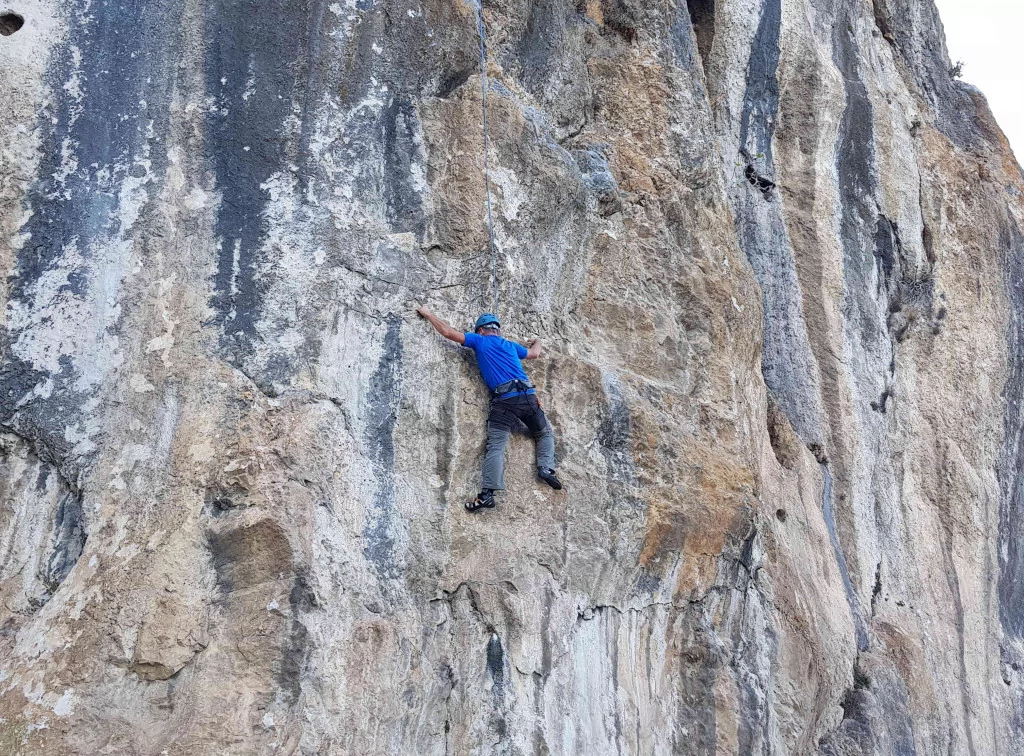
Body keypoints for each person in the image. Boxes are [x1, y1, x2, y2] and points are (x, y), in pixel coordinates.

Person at [416, 307, 563, 511]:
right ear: (497, 331)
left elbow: (449, 333)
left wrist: (429, 314)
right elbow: (535, 353)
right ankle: (546, 468)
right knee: (544, 433)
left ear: (481, 330)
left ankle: (487, 495)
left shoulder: (479, 341)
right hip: (528, 398)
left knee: (496, 446)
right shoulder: (511, 345)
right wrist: (536, 340)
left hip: (505, 401)